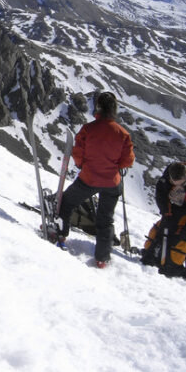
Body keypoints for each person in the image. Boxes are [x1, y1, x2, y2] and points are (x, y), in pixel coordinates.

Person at [54, 92, 135, 267]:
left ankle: (60, 233)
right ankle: (102, 258)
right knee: (105, 219)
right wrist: (114, 166)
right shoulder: (123, 134)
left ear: (98, 108)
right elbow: (127, 160)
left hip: (89, 178)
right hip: (111, 182)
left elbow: (78, 153)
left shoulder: (88, 129)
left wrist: (83, 164)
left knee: (67, 201)